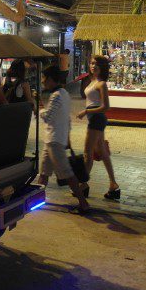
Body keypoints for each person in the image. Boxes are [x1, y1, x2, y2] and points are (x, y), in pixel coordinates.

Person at [37, 65, 89, 214]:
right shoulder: (64, 93)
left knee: (67, 173)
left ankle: (83, 203)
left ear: (52, 79)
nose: (42, 81)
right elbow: (67, 119)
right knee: (44, 172)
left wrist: (39, 108)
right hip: (52, 139)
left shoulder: (57, 96)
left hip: (54, 141)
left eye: (44, 78)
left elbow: (48, 117)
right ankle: (38, 199)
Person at [77, 55, 120, 200]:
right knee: (103, 152)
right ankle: (113, 185)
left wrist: (86, 111)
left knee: (87, 153)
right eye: (91, 63)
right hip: (95, 119)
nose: (93, 66)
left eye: (96, 64)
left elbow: (105, 106)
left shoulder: (101, 84)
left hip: (96, 118)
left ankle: (83, 185)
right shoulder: (92, 81)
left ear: (102, 67)